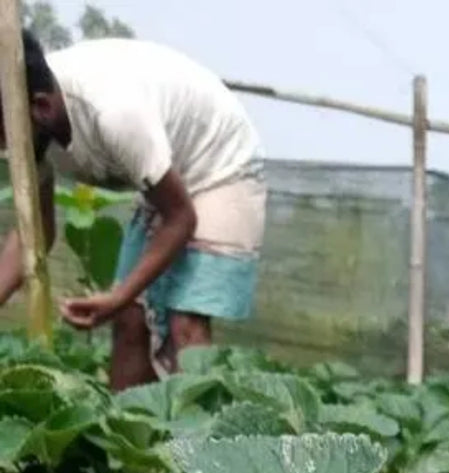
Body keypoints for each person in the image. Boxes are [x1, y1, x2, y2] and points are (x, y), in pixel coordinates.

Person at [0, 30, 266, 390]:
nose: (3, 147)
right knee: (129, 319)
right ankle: (126, 439)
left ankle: (198, 443)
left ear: (42, 107)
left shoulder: (114, 113)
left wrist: (120, 293)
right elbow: (37, 232)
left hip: (218, 163)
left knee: (184, 327)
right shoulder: (23, 120)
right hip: (163, 168)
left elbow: (181, 218)